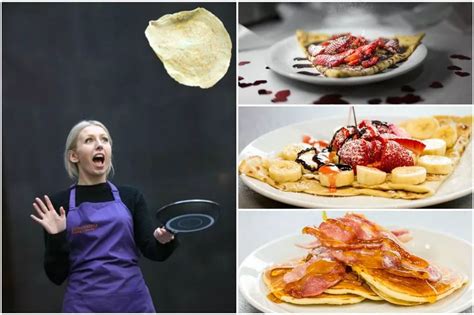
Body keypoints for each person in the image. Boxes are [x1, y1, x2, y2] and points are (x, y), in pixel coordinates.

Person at [30, 120, 178, 312]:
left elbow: (154, 251)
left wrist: (164, 239)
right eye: (89, 140)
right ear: (74, 156)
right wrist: (57, 236)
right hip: (83, 306)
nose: (99, 144)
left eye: (104, 140)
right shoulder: (59, 205)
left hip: (133, 303)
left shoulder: (130, 197)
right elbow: (56, 275)